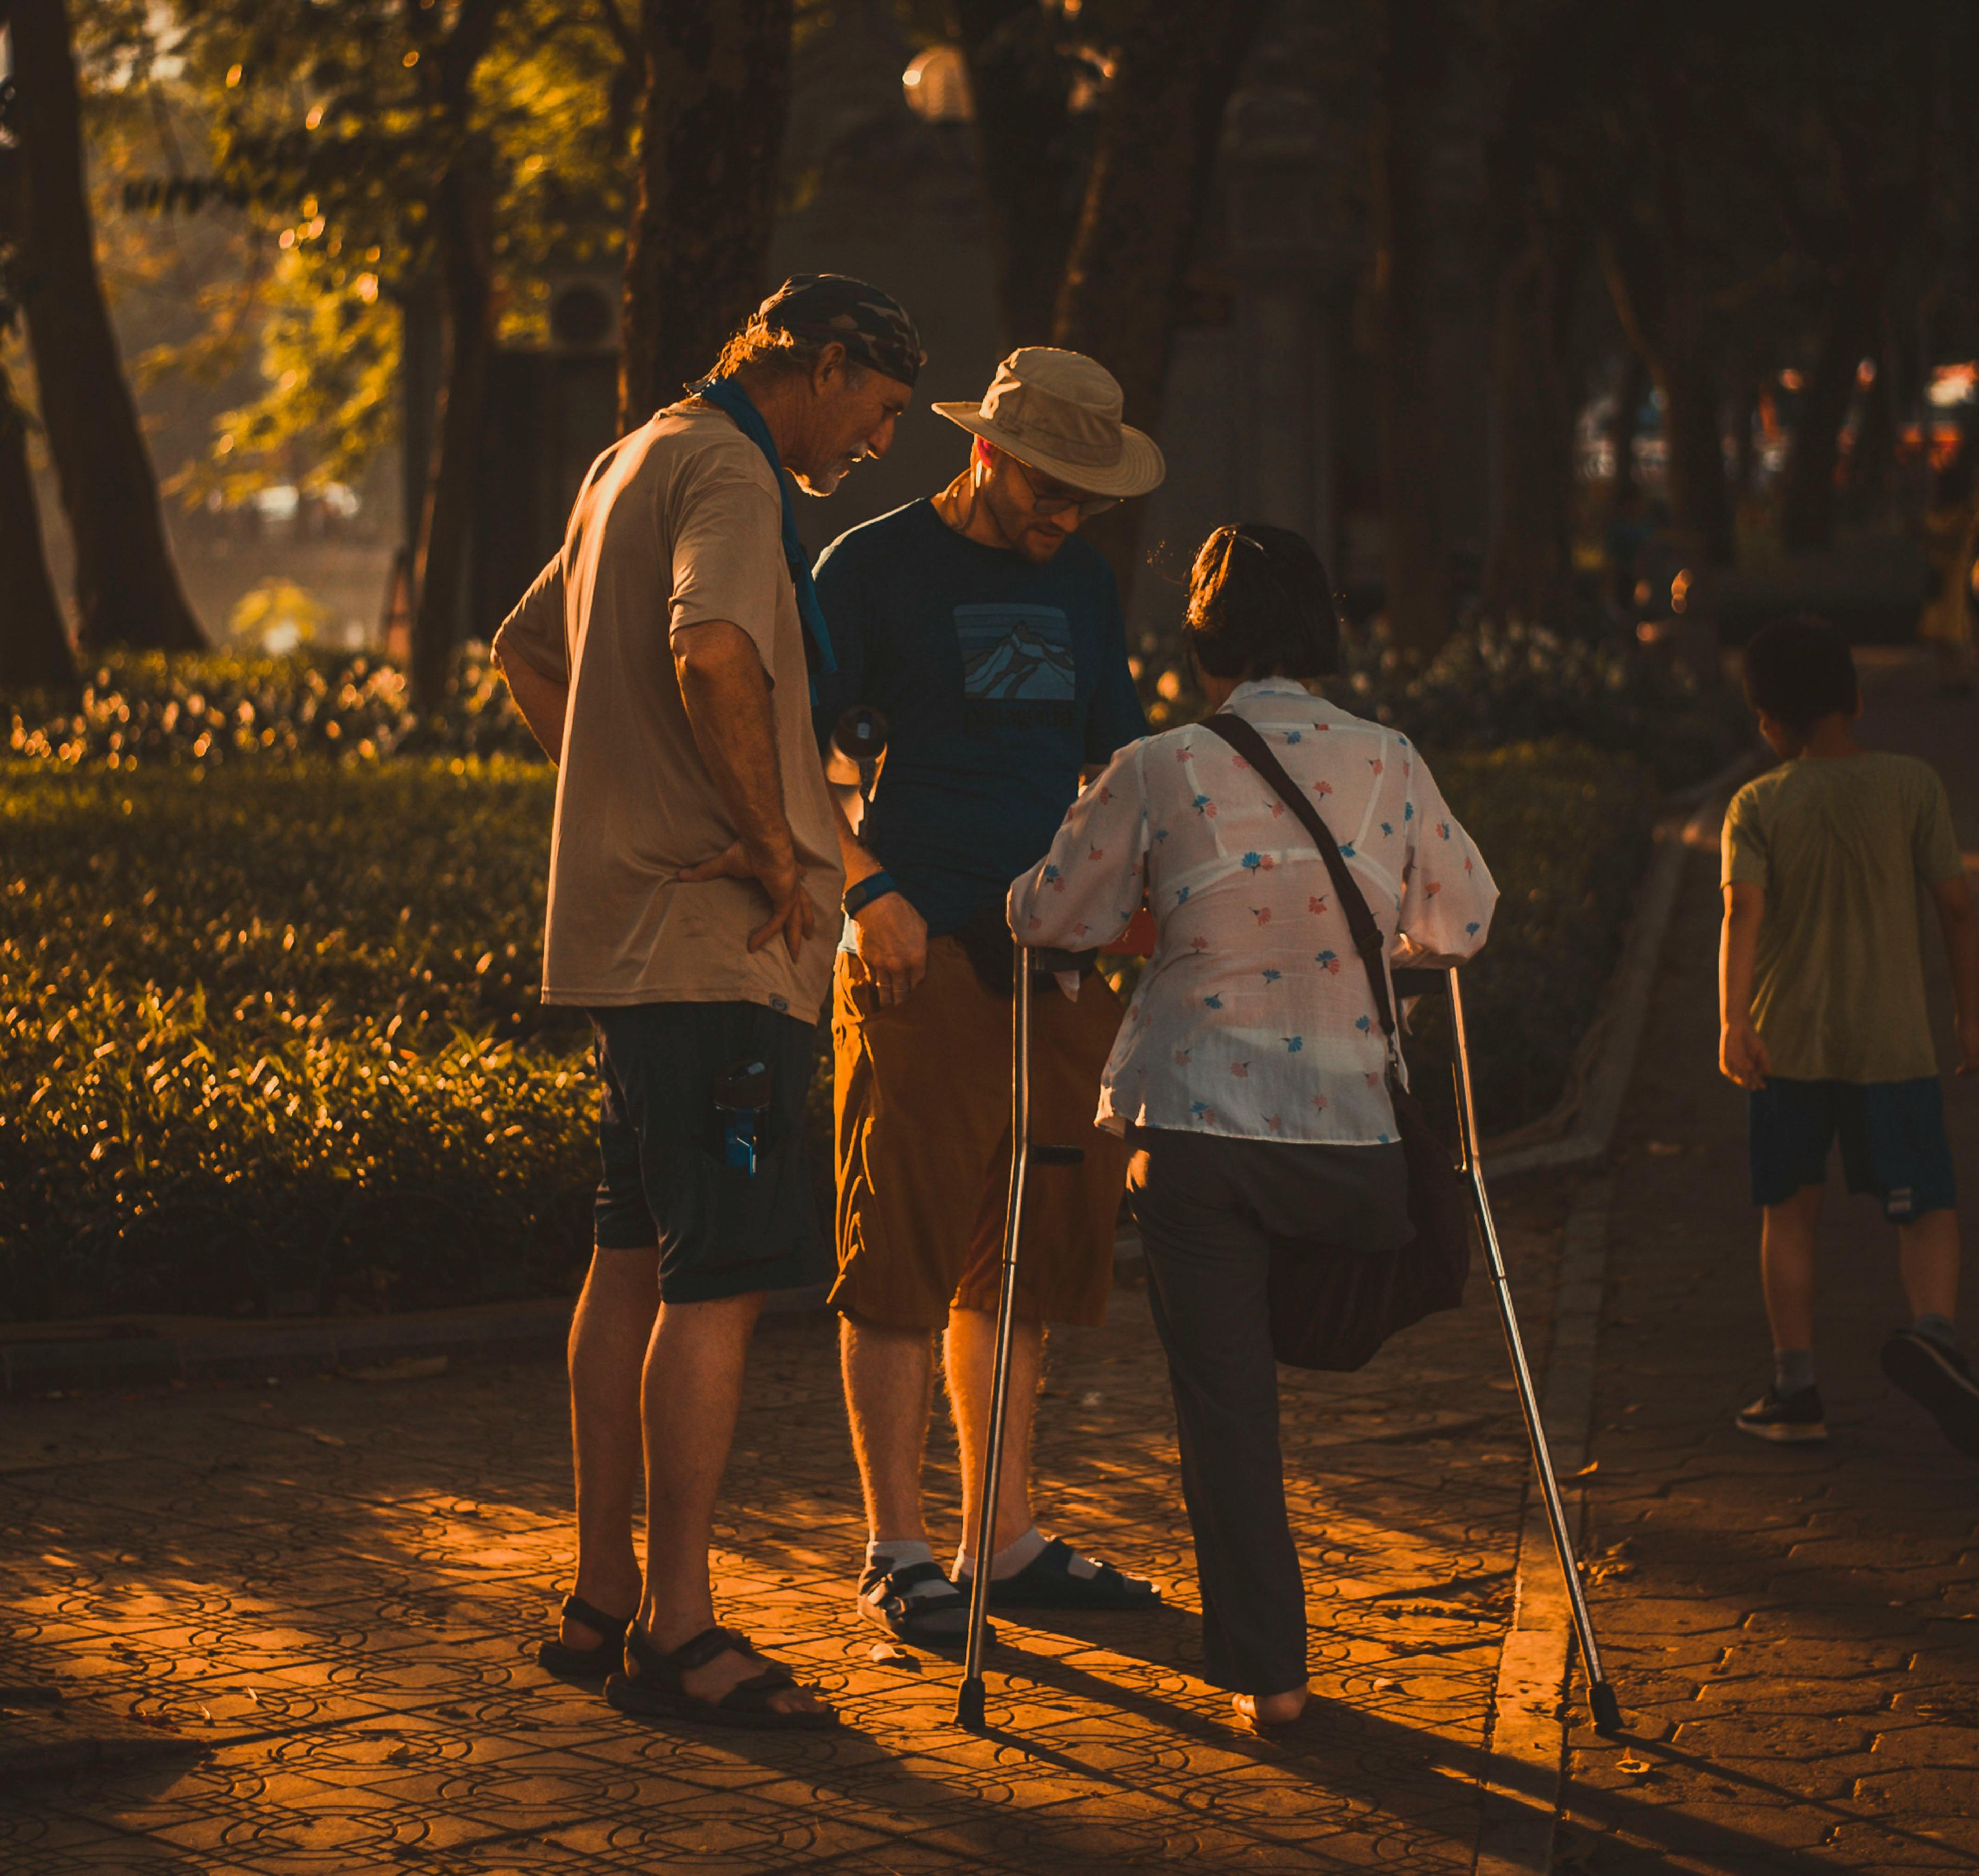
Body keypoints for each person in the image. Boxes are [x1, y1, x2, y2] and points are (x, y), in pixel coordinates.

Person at [491, 274, 924, 1729]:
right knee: (717, 1282)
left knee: (629, 1255)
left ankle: (600, 1596)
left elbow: (525, 656)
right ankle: (683, 1626)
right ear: (831, 360)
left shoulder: (631, 457)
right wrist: (753, 831)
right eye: (883, 405)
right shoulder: (733, 471)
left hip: (628, 940)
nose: (881, 439)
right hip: (719, 949)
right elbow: (716, 648)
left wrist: (623, 796)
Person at [1008, 523, 1497, 1729]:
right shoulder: (1391, 758)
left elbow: (1045, 916)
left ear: (1207, 637)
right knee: (1278, 1326)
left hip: (1200, 1132)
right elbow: (1468, 921)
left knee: (1226, 1406)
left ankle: (1273, 1678)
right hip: (1353, 1155)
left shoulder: (1156, 764)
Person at [809, 347, 1165, 1648]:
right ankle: (897, 1548)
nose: (1068, 517)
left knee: (1025, 1262)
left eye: (1090, 499)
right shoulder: (872, 567)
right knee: (897, 1251)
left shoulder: (1075, 576)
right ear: (989, 455)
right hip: (919, 956)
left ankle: (999, 1537)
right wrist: (865, 890)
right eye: (1052, 488)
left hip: (1056, 967)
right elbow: (790, 759)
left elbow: (1114, 758)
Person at [1719, 616, 1979, 1457]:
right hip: (1892, 1042)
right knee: (1927, 1205)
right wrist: (1969, 1012)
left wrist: (1734, 1020)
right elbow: (1955, 907)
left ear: (1768, 723)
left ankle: (1796, 1389)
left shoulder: (1756, 803)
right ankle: (1934, 1335)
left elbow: (1740, 912)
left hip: (1787, 1043)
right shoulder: (1912, 786)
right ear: (1857, 700)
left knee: (1789, 1211)